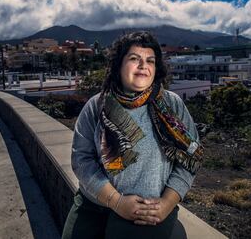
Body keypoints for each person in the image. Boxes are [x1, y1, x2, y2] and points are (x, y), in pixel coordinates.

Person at [62, 31, 203, 239]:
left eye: (150, 61)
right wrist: (115, 201)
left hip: (147, 209)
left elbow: (190, 158)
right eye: (134, 59)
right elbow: (82, 160)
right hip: (94, 203)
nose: (143, 66)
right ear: (119, 65)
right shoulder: (97, 106)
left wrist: (166, 204)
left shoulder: (171, 105)